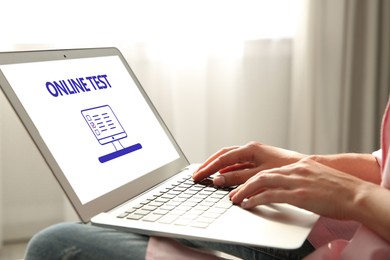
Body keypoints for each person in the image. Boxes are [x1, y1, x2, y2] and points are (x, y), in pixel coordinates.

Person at [25, 98, 390, 259]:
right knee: (131, 218)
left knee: (56, 245)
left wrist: (354, 195)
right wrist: (303, 164)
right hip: (351, 233)